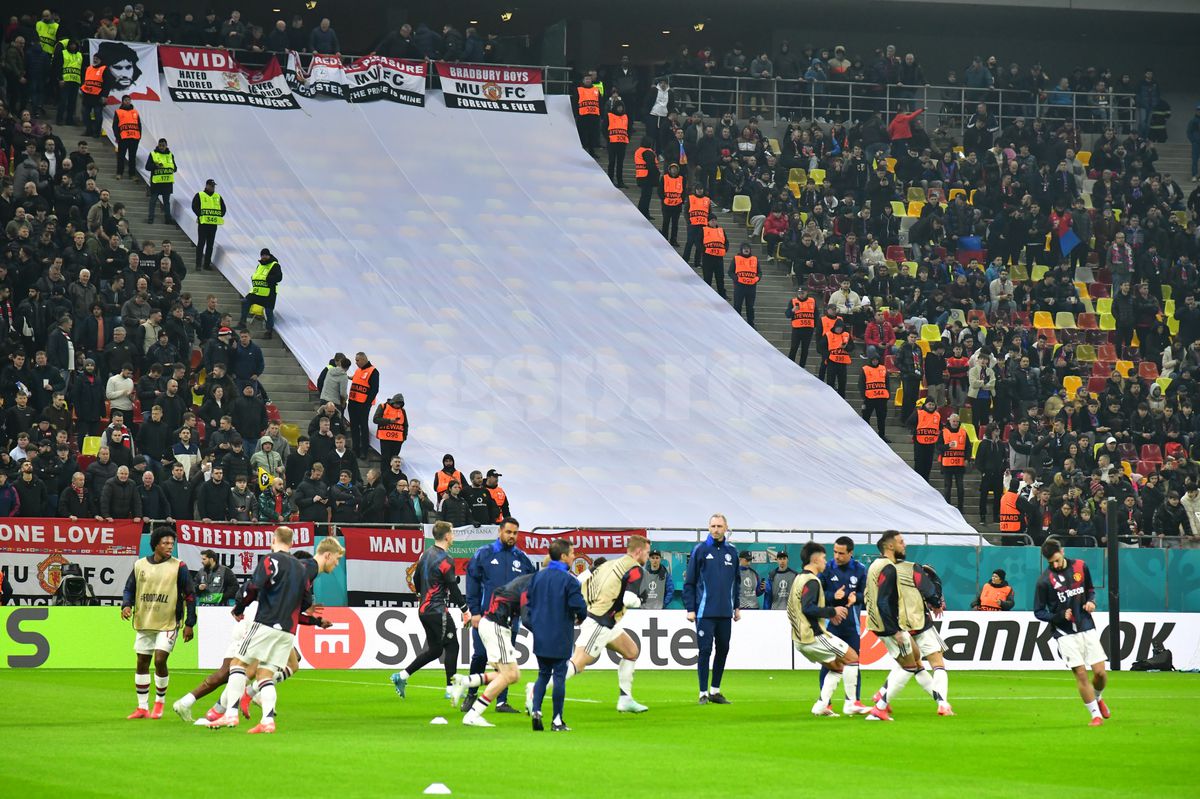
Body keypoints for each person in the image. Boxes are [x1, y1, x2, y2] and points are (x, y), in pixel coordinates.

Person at [204, 531, 344, 732]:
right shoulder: (301, 569)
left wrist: (240, 607)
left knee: (238, 664)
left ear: (273, 541)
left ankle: (230, 714)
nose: (337, 564)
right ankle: (267, 721)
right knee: (265, 674)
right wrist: (315, 620)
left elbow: (253, 586)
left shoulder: (271, 560)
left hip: (266, 622)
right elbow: (305, 602)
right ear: (292, 542)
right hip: (287, 631)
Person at [528, 535, 651, 715]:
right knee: (578, 663)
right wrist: (640, 600)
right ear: (638, 551)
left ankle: (625, 698)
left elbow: (582, 583)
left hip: (604, 619)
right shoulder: (635, 569)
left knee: (631, 651)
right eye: (647, 553)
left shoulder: (610, 564)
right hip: (600, 622)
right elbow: (629, 599)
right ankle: (536, 690)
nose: (647, 557)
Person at [863, 531, 949, 722]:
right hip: (896, 625)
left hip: (880, 624)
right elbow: (884, 601)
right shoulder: (891, 568)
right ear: (890, 546)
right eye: (901, 542)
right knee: (912, 665)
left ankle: (883, 697)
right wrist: (895, 630)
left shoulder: (875, 566)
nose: (905, 545)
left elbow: (870, 596)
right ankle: (880, 707)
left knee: (913, 662)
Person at [120, 527, 195, 719]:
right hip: (145, 619)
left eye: (172, 543)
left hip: (169, 621)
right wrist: (126, 605)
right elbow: (129, 588)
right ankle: (142, 707)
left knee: (160, 659)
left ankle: (159, 703)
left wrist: (189, 623)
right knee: (142, 661)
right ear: (156, 545)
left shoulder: (179, 566)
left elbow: (190, 594)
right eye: (165, 543)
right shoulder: (140, 565)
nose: (170, 546)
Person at [391, 521, 470, 702]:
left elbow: (417, 579)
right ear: (447, 535)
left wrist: (423, 593)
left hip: (424, 610)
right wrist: (465, 610)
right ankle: (451, 689)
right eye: (453, 533)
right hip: (437, 610)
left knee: (435, 650)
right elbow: (453, 588)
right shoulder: (446, 559)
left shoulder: (424, 555)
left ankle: (402, 676)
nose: (454, 536)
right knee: (452, 646)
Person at [789, 541, 869, 717]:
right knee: (852, 658)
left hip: (799, 638)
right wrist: (833, 610)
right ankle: (851, 703)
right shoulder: (812, 581)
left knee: (837, 665)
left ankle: (821, 705)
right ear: (816, 559)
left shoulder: (799, 578)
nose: (828, 560)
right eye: (825, 557)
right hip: (813, 635)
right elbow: (808, 608)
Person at [1034, 539, 1109, 725]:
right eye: (1051, 562)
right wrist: (1059, 616)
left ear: (1063, 550)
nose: (1055, 565)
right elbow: (1039, 611)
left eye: (1057, 560)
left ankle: (1098, 698)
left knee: (1100, 673)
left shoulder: (1081, 566)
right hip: (1063, 632)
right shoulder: (1044, 581)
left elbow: (1090, 590)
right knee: (1081, 674)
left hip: (1085, 625)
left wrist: (1091, 601)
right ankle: (1095, 715)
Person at [452, 562, 536, 726]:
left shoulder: (526, 581)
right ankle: (473, 715)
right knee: (509, 675)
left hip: (493, 624)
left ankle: (466, 681)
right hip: (496, 626)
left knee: (514, 675)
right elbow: (527, 618)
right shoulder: (531, 585)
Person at [464, 518, 534, 713]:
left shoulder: (522, 558)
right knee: (480, 655)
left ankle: (501, 702)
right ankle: (471, 695)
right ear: (500, 532)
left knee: (506, 659)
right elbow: (472, 584)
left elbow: (530, 587)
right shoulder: (484, 554)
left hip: (511, 620)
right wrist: (474, 612)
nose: (512, 536)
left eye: (515, 533)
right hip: (485, 617)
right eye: (508, 532)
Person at [525, 538, 588, 732]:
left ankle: (536, 710)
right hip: (560, 633)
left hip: (541, 633)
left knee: (543, 674)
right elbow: (580, 607)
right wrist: (580, 617)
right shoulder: (569, 580)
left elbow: (528, 602)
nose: (574, 556)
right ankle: (557, 720)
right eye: (571, 553)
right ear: (563, 556)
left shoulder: (538, 577)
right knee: (559, 676)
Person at [683, 513, 740, 705]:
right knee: (705, 650)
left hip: (725, 612)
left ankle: (715, 691)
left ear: (726, 528)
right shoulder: (700, 550)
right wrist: (690, 609)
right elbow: (689, 582)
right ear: (709, 528)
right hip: (704, 612)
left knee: (723, 649)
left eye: (719, 526)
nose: (716, 529)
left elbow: (736, 582)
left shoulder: (732, 552)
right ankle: (702, 693)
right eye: (713, 526)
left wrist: (737, 606)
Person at [819, 537, 867, 703]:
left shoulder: (860, 570)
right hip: (830, 625)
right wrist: (833, 595)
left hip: (852, 626)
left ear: (850, 553)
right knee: (828, 663)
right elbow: (817, 594)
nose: (837, 556)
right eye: (835, 552)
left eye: (841, 553)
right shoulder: (826, 568)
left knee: (853, 663)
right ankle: (826, 702)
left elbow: (867, 596)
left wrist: (857, 598)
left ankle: (854, 700)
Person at [237, 248, 282, 339]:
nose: (264, 257)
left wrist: (268, 278)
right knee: (246, 301)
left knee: (268, 312)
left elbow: (279, 277)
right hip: (257, 292)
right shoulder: (259, 265)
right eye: (262, 255)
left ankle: (269, 331)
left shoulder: (275, 265)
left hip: (269, 293)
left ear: (269, 255)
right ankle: (242, 323)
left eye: (265, 255)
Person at [348, 352, 380, 456]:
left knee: (363, 426)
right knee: (354, 426)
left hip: (363, 404)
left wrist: (367, 404)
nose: (356, 362)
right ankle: (355, 448)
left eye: (357, 360)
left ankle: (364, 450)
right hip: (353, 402)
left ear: (363, 359)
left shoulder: (373, 371)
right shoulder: (358, 371)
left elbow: (374, 390)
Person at [192, 179, 225, 271]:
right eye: (211, 185)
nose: (213, 187)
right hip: (203, 223)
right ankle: (198, 264)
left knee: (210, 245)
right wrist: (200, 215)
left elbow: (223, 209)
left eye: (213, 186)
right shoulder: (200, 195)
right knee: (201, 243)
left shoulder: (217, 196)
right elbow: (194, 206)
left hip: (213, 224)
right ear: (207, 186)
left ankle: (206, 264)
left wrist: (219, 215)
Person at [939, 413, 968, 511]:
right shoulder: (943, 432)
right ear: (949, 421)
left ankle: (960, 508)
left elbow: (968, 447)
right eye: (953, 421)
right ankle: (948, 507)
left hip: (959, 464)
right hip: (947, 465)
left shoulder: (963, 432)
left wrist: (967, 459)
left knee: (960, 487)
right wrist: (947, 446)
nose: (955, 423)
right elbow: (938, 447)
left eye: (957, 421)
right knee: (948, 487)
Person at [860, 351, 890, 440]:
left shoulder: (883, 368)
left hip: (882, 398)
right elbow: (861, 384)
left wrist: (888, 395)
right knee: (866, 417)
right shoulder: (865, 369)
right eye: (873, 360)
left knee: (881, 418)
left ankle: (882, 435)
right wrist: (863, 396)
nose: (875, 361)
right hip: (869, 398)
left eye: (877, 360)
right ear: (870, 360)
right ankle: (866, 435)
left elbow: (887, 383)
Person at [145, 138, 175, 224]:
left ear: (166, 146)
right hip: (156, 183)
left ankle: (168, 219)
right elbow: (147, 167)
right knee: (153, 201)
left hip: (167, 183)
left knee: (166, 203)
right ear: (158, 145)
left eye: (163, 146)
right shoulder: (153, 154)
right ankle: (150, 219)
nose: (161, 147)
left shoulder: (170, 155)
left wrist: (168, 167)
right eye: (160, 145)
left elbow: (175, 168)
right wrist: (155, 165)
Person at [80, 51, 111, 137]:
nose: (95, 60)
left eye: (97, 59)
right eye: (94, 58)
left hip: (98, 96)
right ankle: (88, 130)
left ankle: (97, 132)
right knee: (85, 113)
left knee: (98, 114)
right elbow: (85, 80)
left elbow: (108, 83)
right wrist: (82, 90)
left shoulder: (104, 69)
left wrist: (105, 96)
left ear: (101, 60)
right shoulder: (89, 68)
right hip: (87, 95)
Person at [730, 243, 760, 327]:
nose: (746, 250)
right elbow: (730, 272)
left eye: (748, 248)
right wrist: (736, 279)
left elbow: (759, 273)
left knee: (750, 307)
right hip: (740, 287)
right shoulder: (736, 258)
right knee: (737, 305)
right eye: (744, 248)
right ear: (741, 250)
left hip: (751, 287)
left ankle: (751, 324)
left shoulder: (755, 259)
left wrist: (756, 279)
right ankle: (736, 324)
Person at [372, 392, 407, 465]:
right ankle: (384, 475)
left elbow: (405, 424)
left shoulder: (402, 410)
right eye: (397, 404)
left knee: (394, 460)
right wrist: (389, 421)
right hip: (385, 438)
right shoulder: (383, 406)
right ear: (393, 401)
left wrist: (404, 437)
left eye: (400, 405)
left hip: (398, 440)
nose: (398, 406)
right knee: (385, 459)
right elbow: (376, 419)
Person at [112, 95, 141, 180]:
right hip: (123, 138)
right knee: (121, 156)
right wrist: (118, 136)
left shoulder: (135, 112)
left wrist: (139, 137)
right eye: (126, 100)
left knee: (132, 156)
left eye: (129, 100)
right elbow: (115, 126)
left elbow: (139, 125)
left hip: (134, 138)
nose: (127, 102)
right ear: (122, 101)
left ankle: (132, 174)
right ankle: (119, 173)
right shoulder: (118, 112)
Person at [786, 286, 816, 366]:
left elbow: (816, 314)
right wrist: (793, 310)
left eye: (803, 293)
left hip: (808, 329)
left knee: (805, 349)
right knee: (793, 348)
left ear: (807, 293)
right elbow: (787, 314)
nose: (801, 295)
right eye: (799, 293)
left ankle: (802, 366)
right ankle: (790, 365)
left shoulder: (812, 301)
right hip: (797, 329)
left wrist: (815, 326)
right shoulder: (793, 301)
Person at [700, 215, 728, 298]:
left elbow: (726, 242)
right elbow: (698, 241)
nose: (713, 222)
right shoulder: (703, 229)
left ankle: (722, 294)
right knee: (707, 277)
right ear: (708, 221)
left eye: (715, 220)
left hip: (719, 257)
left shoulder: (721, 230)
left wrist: (725, 249)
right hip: (708, 257)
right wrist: (704, 250)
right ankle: (706, 294)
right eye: (712, 220)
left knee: (720, 277)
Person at [823, 318, 852, 396]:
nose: (839, 329)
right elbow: (821, 347)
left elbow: (852, 347)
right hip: (832, 362)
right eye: (838, 327)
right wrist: (827, 356)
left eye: (841, 328)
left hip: (843, 362)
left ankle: (842, 399)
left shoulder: (846, 335)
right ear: (835, 327)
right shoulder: (828, 334)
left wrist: (845, 347)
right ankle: (830, 398)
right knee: (830, 382)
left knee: (842, 383)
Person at [634, 136, 659, 220]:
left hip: (641, 175)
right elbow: (651, 166)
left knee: (644, 196)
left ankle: (644, 213)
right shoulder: (648, 152)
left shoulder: (639, 151)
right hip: (647, 177)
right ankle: (643, 213)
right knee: (646, 197)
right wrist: (657, 175)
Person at [605, 101, 629, 187]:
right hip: (612, 143)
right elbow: (604, 128)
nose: (620, 109)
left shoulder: (626, 117)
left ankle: (620, 181)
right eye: (618, 107)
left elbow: (629, 129)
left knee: (620, 163)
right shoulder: (609, 115)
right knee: (611, 162)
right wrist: (608, 138)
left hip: (622, 143)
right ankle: (610, 181)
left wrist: (627, 137)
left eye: (621, 107)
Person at [659, 162, 684, 244]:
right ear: (669, 170)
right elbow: (660, 190)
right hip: (667, 204)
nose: (674, 170)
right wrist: (663, 199)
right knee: (665, 222)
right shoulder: (664, 178)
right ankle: (664, 237)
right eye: (672, 168)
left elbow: (684, 191)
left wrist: (681, 200)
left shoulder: (682, 179)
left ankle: (673, 239)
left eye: (675, 168)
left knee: (675, 224)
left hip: (677, 205)